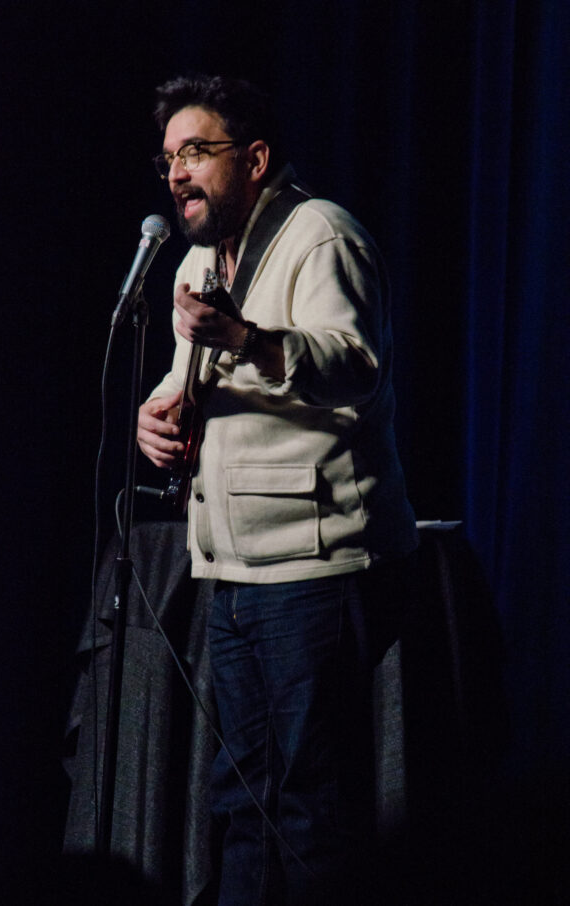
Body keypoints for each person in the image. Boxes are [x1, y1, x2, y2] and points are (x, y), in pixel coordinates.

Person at [137, 74, 418, 906]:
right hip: (231, 569)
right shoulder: (197, 258)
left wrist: (249, 338)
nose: (179, 172)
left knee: (308, 805)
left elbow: (355, 368)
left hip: (316, 568)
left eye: (197, 151)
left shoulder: (321, 235)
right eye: (168, 159)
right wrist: (160, 417)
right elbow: (180, 381)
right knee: (240, 800)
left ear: (254, 159)